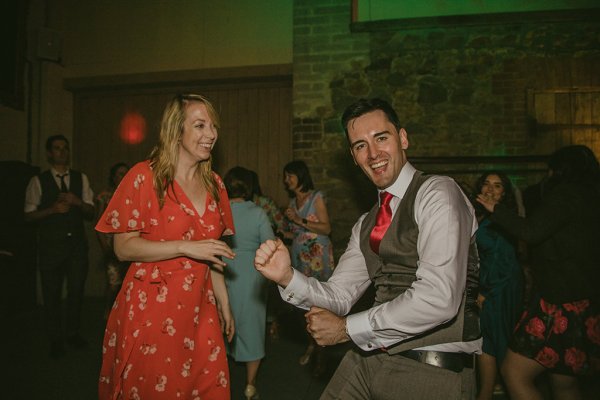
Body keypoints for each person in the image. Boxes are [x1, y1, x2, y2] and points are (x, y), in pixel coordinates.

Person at [255, 98, 481, 400]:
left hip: (431, 367)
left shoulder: (438, 193)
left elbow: (439, 298)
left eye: (381, 138)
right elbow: (339, 295)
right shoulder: (366, 223)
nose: (373, 153)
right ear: (353, 156)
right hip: (369, 357)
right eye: (360, 145)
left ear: (402, 138)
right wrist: (286, 277)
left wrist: (346, 329)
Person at [95, 94, 236, 399]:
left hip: (202, 308)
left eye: (213, 126)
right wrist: (186, 247)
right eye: (200, 125)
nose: (211, 134)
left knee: (207, 387)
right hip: (153, 307)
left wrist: (223, 301)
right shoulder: (144, 177)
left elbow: (212, 251)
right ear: (175, 130)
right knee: (158, 387)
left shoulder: (215, 184)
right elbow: (123, 248)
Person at [476, 145, 600, 400]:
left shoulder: (567, 195)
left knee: (513, 372)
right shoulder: (590, 197)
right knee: (564, 383)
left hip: (560, 303)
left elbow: (532, 231)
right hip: (582, 300)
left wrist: (496, 210)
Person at [24, 134, 95, 359]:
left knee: (76, 292)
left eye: (65, 148)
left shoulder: (80, 178)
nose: (62, 152)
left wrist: (77, 202)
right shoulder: (38, 181)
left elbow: (91, 212)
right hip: (50, 249)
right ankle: (55, 339)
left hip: (76, 248)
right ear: (49, 153)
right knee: (52, 295)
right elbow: (28, 216)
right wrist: (52, 210)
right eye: (57, 148)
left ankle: (72, 333)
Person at [223, 166, 275, 400]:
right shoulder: (257, 213)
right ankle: (250, 384)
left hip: (222, 271)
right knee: (252, 325)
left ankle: (220, 375)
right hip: (251, 274)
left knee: (222, 321)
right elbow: (269, 246)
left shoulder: (218, 212)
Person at [472, 171, 524, 400]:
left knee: (497, 343)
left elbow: (505, 261)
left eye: (497, 186)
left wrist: (485, 292)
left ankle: (512, 388)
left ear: (505, 194)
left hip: (500, 289)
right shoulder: (483, 216)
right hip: (490, 288)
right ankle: (487, 392)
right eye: (486, 184)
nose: (490, 190)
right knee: (486, 343)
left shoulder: (503, 219)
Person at [282, 160, 335, 374]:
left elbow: (326, 228)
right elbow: (297, 232)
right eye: (285, 177)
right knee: (305, 306)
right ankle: (312, 344)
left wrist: (300, 219)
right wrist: (282, 233)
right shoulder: (293, 202)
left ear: (300, 175)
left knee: (322, 304)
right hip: (300, 258)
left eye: (289, 176)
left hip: (318, 257)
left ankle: (322, 351)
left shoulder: (316, 197)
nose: (286, 181)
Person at [95, 162, 130, 319]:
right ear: (113, 177)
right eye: (120, 174)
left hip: (131, 242)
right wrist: (105, 248)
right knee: (113, 282)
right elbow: (98, 224)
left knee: (128, 281)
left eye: (126, 173)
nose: (123, 177)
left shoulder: (133, 194)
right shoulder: (104, 196)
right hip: (111, 244)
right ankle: (108, 310)